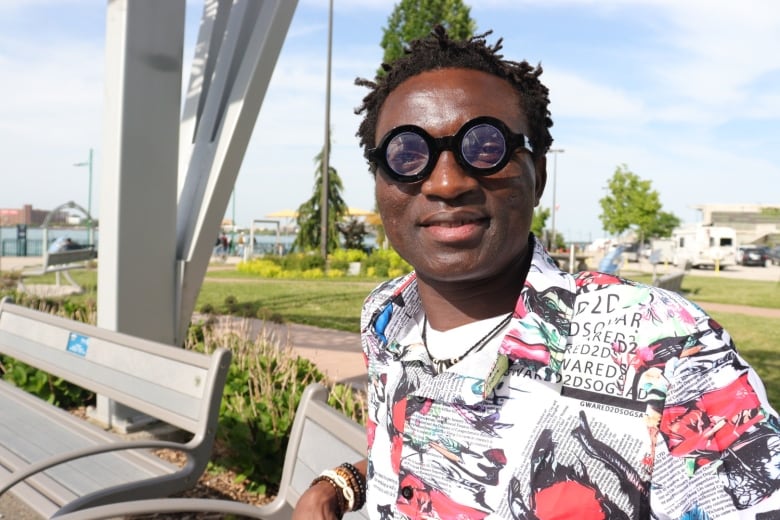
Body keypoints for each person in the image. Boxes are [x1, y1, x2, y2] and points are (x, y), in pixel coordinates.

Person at [294, 26, 780, 519]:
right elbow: (413, 450)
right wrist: (344, 481)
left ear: (539, 174)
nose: (445, 182)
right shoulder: (388, 315)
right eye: (407, 155)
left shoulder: (668, 349)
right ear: (380, 182)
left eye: (484, 147)